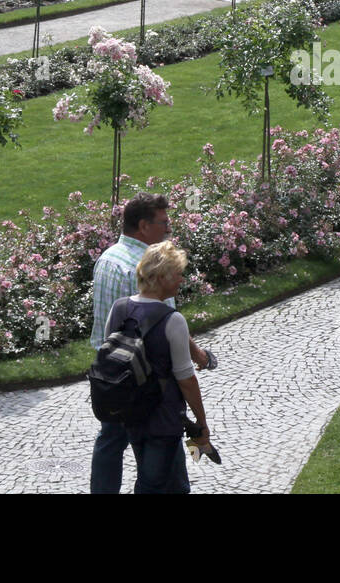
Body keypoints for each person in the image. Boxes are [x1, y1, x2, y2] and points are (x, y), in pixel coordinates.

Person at [89, 194, 211, 494]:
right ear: (144, 226)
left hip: (111, 373)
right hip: (148, 385)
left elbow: (106, 330)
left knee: (111, 440)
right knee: (164, 456)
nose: (168, 229)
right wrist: (197, 354)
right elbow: (168, 323)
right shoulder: (148, 267)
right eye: (164, 223)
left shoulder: (108, 258)